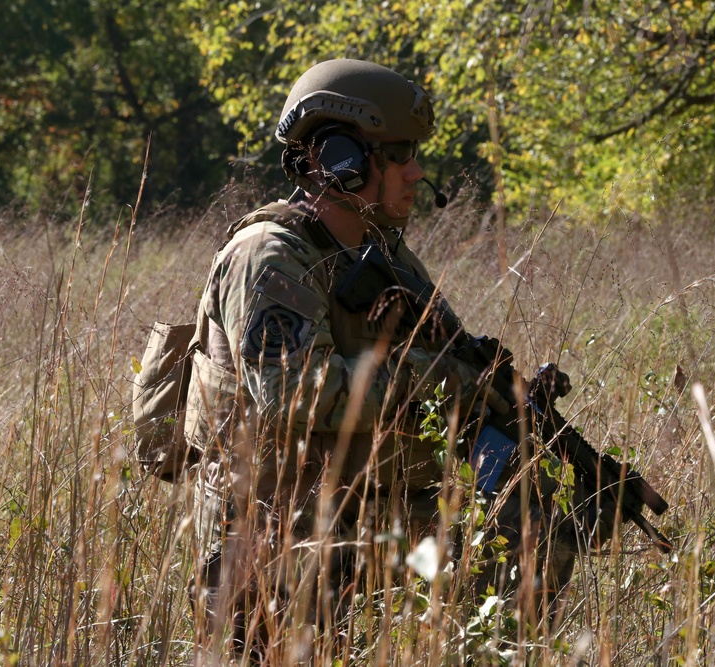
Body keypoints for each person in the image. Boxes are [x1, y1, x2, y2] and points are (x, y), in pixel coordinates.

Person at [182, 58, 587, 663]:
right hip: (283, 535)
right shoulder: (269, 256)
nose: (415, 172)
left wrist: (506, 419)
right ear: (341, 158)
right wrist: (441, 382)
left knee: (530, 542)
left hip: (385, 528)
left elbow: (448, 366)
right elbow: (292, 392)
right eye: (398, 154)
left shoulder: (387, 258)